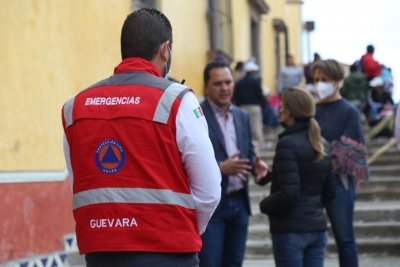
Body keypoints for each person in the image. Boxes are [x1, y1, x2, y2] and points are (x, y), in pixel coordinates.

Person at [61, 8, 221, 267]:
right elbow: (210, 190)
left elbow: (80, 182)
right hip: (168, 250)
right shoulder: (177, 100)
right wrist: (187, 227)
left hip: (101, 250)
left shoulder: (74, 107)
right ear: (165, 50)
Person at [199, 61, 270, 267]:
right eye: (217, 83)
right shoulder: (197, 116)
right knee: (209, 263)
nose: (224, 88)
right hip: (212, 206)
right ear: (206, 86)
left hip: (240, 203)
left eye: (228, 82)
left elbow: (248, 151)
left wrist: (257, 164)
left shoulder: (242, 116)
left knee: (234, 263)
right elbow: (186, 161)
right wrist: (220, 168)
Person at [260, 86, 336, 267]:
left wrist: (265, 205)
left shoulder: (287, 144)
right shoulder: (321, 142)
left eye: (282, 105)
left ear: (290, 111)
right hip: (317, 229)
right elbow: (330, 191)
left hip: (290, 231)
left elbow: (289, 193)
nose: (279, 109)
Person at [312, 59, 369, 267]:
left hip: (339, 183)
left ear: (337, 81)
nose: (320, 84)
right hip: (312, 183)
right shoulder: (311, 110)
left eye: (324, 80)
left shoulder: (349, 111)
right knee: (311, 239)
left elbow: (353, 150)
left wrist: (325, 156)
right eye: (316, 80)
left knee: (344, 238)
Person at [233, 60, 265, 151]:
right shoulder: (256, 80)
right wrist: (261, 104)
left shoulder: (240, 82)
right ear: (252, 71)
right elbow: (260, 94)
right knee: (257, 125)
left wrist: (239, 106)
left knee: (245, 127)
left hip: (243, 107)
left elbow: (236, 96)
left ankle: (245, 145)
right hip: (255, 106)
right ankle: (260, 146)